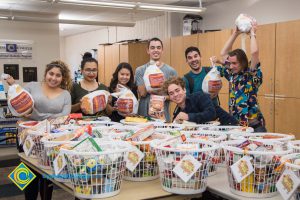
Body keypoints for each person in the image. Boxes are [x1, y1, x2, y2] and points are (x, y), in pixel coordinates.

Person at [6, 60, 72, 200]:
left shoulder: (65, 94)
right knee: (26, 173)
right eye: (51, 74)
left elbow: (65, 117)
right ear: (45, 73)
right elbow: (20, 105)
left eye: (58, 75)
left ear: (63, 78)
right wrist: (51, 117)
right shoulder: (32, 86)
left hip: (50, 140)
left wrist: (35, 114)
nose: (53, 78)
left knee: (47, 176)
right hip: (26, 136)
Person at [216, 23, 266, 132]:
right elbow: (223, 52)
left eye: (235, 63)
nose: (231, 66)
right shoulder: (231, 74)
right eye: (230, 63)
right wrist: (235, 33)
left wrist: (252, 33)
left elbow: (254, 53)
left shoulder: (250, 73)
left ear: (243, 62)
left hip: (254, 126)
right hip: (237, 126)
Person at [183, 46, 237, 125]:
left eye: (196, 56)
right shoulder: (186, 79)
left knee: (233, 123)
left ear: (200, 56)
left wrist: (219, 61)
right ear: (187, 61)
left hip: (215, 115)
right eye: (190, 58)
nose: (193, 59)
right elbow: (187, 103)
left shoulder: (211, 71)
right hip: (198, 118)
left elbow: (233, 70)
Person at [135, 37, 177, 122]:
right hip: (144, 117)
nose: (156, 50)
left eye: (158, 47)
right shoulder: (140, 70)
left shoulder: (171, 71)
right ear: (148, 50)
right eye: (152, 47)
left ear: (162, 50)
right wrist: (155, 82)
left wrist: (163, 97)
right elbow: (142, 93)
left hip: (162, 116)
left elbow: (175, 97)